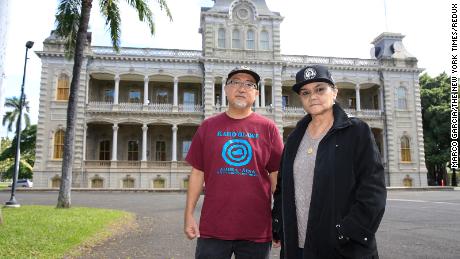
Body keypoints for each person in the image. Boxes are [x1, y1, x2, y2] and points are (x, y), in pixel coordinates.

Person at [272, 65, 387, 259]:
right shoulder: (294, 139)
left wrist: (347, 232)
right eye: (305, 92)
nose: (313, 96)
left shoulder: (356, 131)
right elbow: (282, 188)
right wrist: (278, 224)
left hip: (341, 248)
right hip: (296, 248)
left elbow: (373, 191)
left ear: (334, 92)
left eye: (320, 89)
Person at [184, 65, 284, 259]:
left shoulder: (268, 128)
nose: (241, 88)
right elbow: (197, 173)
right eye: (235, 82)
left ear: (256, 93)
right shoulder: (208, 126)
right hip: (214, 228)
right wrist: (188, 214)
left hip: (256, 229)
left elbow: (276, 177)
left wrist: (280, 219)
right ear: (226, 89)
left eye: (249, 84)